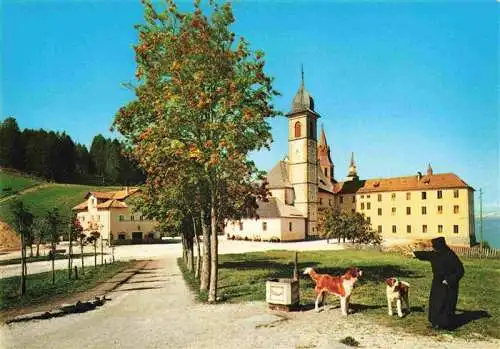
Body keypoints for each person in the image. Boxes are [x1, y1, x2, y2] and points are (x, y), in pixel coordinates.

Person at [412, 237, 464, 329]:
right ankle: (435, 323)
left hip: (448, 285)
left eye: (435, 246)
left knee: (446, 305)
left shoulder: (450, 255)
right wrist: (414, 254)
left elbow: (460, 270)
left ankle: (445, 325)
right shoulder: (435, 255)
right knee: (435, 304)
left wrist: (449, 280)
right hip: (437, 282)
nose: (433, 248)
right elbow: (425, 255)